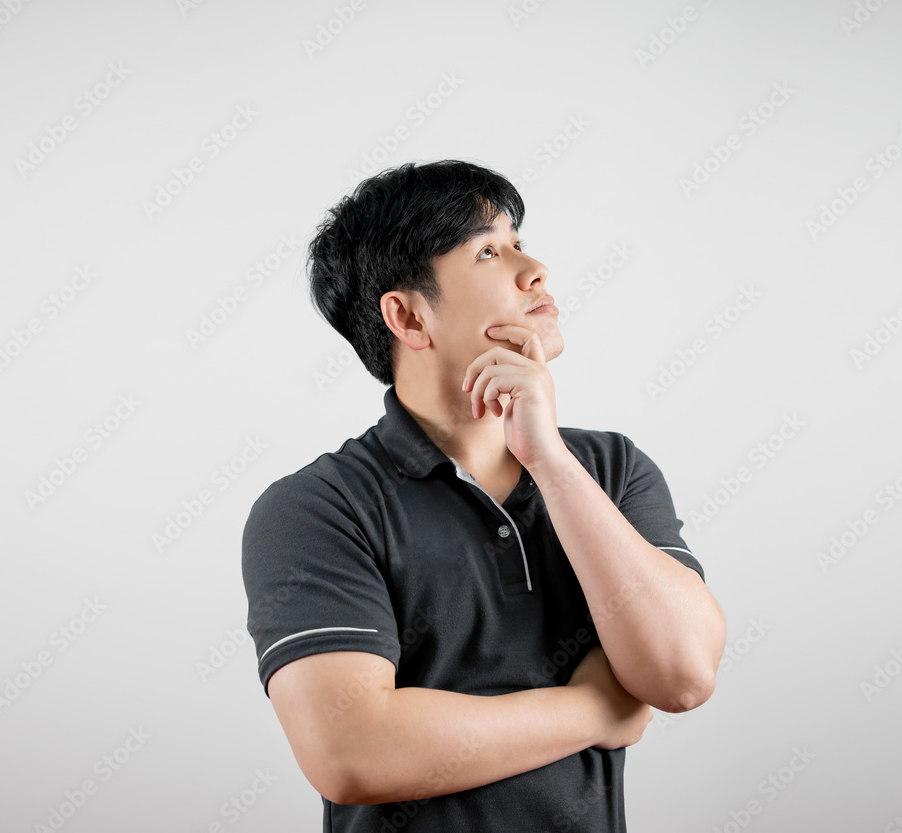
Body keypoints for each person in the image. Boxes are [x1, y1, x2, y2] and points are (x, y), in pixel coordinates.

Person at [241, 159, 726, 831]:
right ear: (408, 317)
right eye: (490, 251)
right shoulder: (319, 506)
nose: (536, 271)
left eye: (520, 243)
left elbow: (682, 674)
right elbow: (353, 753)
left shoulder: (610, 468)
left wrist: (549, 461)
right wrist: (599, 706)